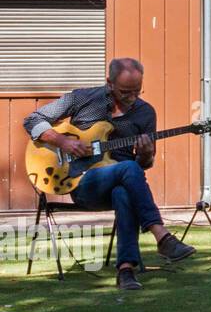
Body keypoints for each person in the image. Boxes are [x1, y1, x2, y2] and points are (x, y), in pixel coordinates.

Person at [24, 58, 197, 290]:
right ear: (110, 83)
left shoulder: (145, 113)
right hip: (82, 182)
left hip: (122, 183)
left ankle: (125, 271)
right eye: (126, 91)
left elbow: (143, 165)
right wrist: (63, 141)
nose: (132, 97)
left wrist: (145, 155)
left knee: (125, 190)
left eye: (137, 90)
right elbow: (32, 120)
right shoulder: (82, 98)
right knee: (129, 169)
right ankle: (161, 236)